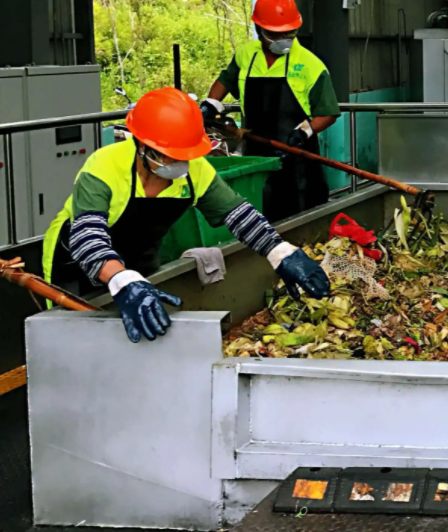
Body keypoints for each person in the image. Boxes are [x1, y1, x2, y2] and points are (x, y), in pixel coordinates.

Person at [42, 88, 331, 343]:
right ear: (143, 146)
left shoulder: (195, 170)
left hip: (138, 261)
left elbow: (239, 215)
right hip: (75, 266)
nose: (181, 163)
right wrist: (121, 280)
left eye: (186, 155)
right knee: (76, 341)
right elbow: (87, 236)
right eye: (171, 155)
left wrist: (280, 252)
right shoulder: (105, 165)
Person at [201, 0, 341, 221]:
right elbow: (225, 80)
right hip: (256, 152)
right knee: (259, 212)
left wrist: (303, 132)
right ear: (260, 30)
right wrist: (211, 104)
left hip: (296, 156)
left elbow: (328, 112)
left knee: (299, 217)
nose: (284, 39)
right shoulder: (247, 55)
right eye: (276, 34)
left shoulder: (310, 65)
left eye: (290, 33)